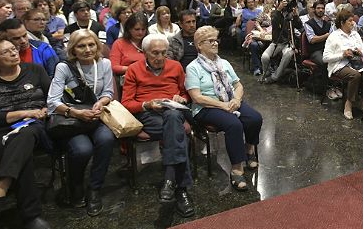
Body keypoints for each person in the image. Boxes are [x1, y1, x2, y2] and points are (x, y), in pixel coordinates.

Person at [0, 35, 52, 229]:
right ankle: (31, 216)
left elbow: (52, 98)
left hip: (35, 126)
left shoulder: (34, 70)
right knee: (22, 153)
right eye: (6, 51)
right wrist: (22, 113)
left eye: (14, 48)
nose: (13, 53)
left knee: (26, 133)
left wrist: (44, 110)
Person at [121, 34, 194, 217]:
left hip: (173, 111)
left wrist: (181, 98)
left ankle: (170, 182)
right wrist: (147, 104)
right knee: (178, 133)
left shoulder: (176, 66)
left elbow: (186, 94)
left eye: (163, 53)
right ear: (145, 52)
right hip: (148, 115)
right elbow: (127, 103)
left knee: (173, 116)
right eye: (155, 53)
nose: (160, 57)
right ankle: (181, 189)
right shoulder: (133, 70)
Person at [185, 26, 263, 191]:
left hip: (230, 101)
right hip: (206, 108)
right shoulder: (193, 67)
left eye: (216, 40)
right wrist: (223, 105)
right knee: (234, 124)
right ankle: (236, 169)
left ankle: (249, 150)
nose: (215, 44)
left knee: (255, 118)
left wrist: (236, 99)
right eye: (210, 41)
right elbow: (196, 97)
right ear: (199, 45)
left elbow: (238, 84)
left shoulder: (224, 62)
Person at [46, 30, 114, 216]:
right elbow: (52, 101)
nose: (87, 49)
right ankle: (75, 185)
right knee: (83, 149)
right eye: (81, 46)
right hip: (71, 119)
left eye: (91, 45)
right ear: (73, 49)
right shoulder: (64, 67)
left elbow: (108, 92)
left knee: (107, 139)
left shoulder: (104, 64)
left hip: (95, 116)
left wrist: (100, 103)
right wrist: (75, 112)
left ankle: (94, 188)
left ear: (97, 46)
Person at [323, 9, 363, 119]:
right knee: (355, 75)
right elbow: (325, 58)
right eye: (350, 21)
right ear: (342, 23)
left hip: (356, 63)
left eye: (353, 21)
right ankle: (348, 104)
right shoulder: (334, 36)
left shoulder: (355, 35)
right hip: (339, 64)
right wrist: (342, 54)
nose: (353, 23)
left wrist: (360, 52)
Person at [261, 0, 302, 84]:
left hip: (288, 43)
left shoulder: (291, 14)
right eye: (284, 2)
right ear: (279, 3)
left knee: (289, 53)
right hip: (277, 42)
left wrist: (296, 16)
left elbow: (299, 27)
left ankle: (275, 77)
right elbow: (275, 24)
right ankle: (267, 73)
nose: (286, 4)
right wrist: (279, 10)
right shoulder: (275, 13)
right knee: (265, 57)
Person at [109, 13, 147, 85]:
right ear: (129, 29)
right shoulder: (119, 43)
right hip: (129, 80)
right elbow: (114, 67)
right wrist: (134, 69)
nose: (140, 32)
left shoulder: (150, 42)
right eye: (137, 29)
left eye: (143, 29)